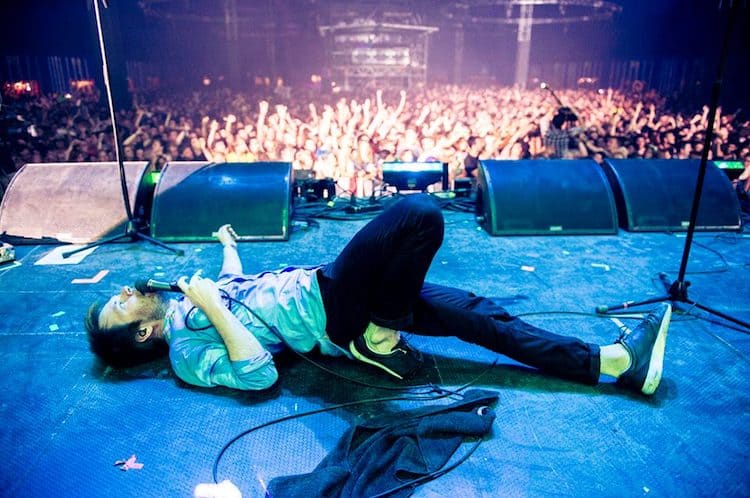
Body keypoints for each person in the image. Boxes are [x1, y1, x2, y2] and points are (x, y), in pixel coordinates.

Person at [85, 195, 671, 395]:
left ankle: (612, 362)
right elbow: (257, 374)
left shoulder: (190, 301)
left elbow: (234, 291)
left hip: (338, 292)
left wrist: (227, 251)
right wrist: (212, 305)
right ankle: (378, 332)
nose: (125, 291)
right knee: (420, 215)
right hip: (331, 309)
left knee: (477, 315)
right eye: (118, 304)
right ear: (141, 333)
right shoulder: (185, 356)